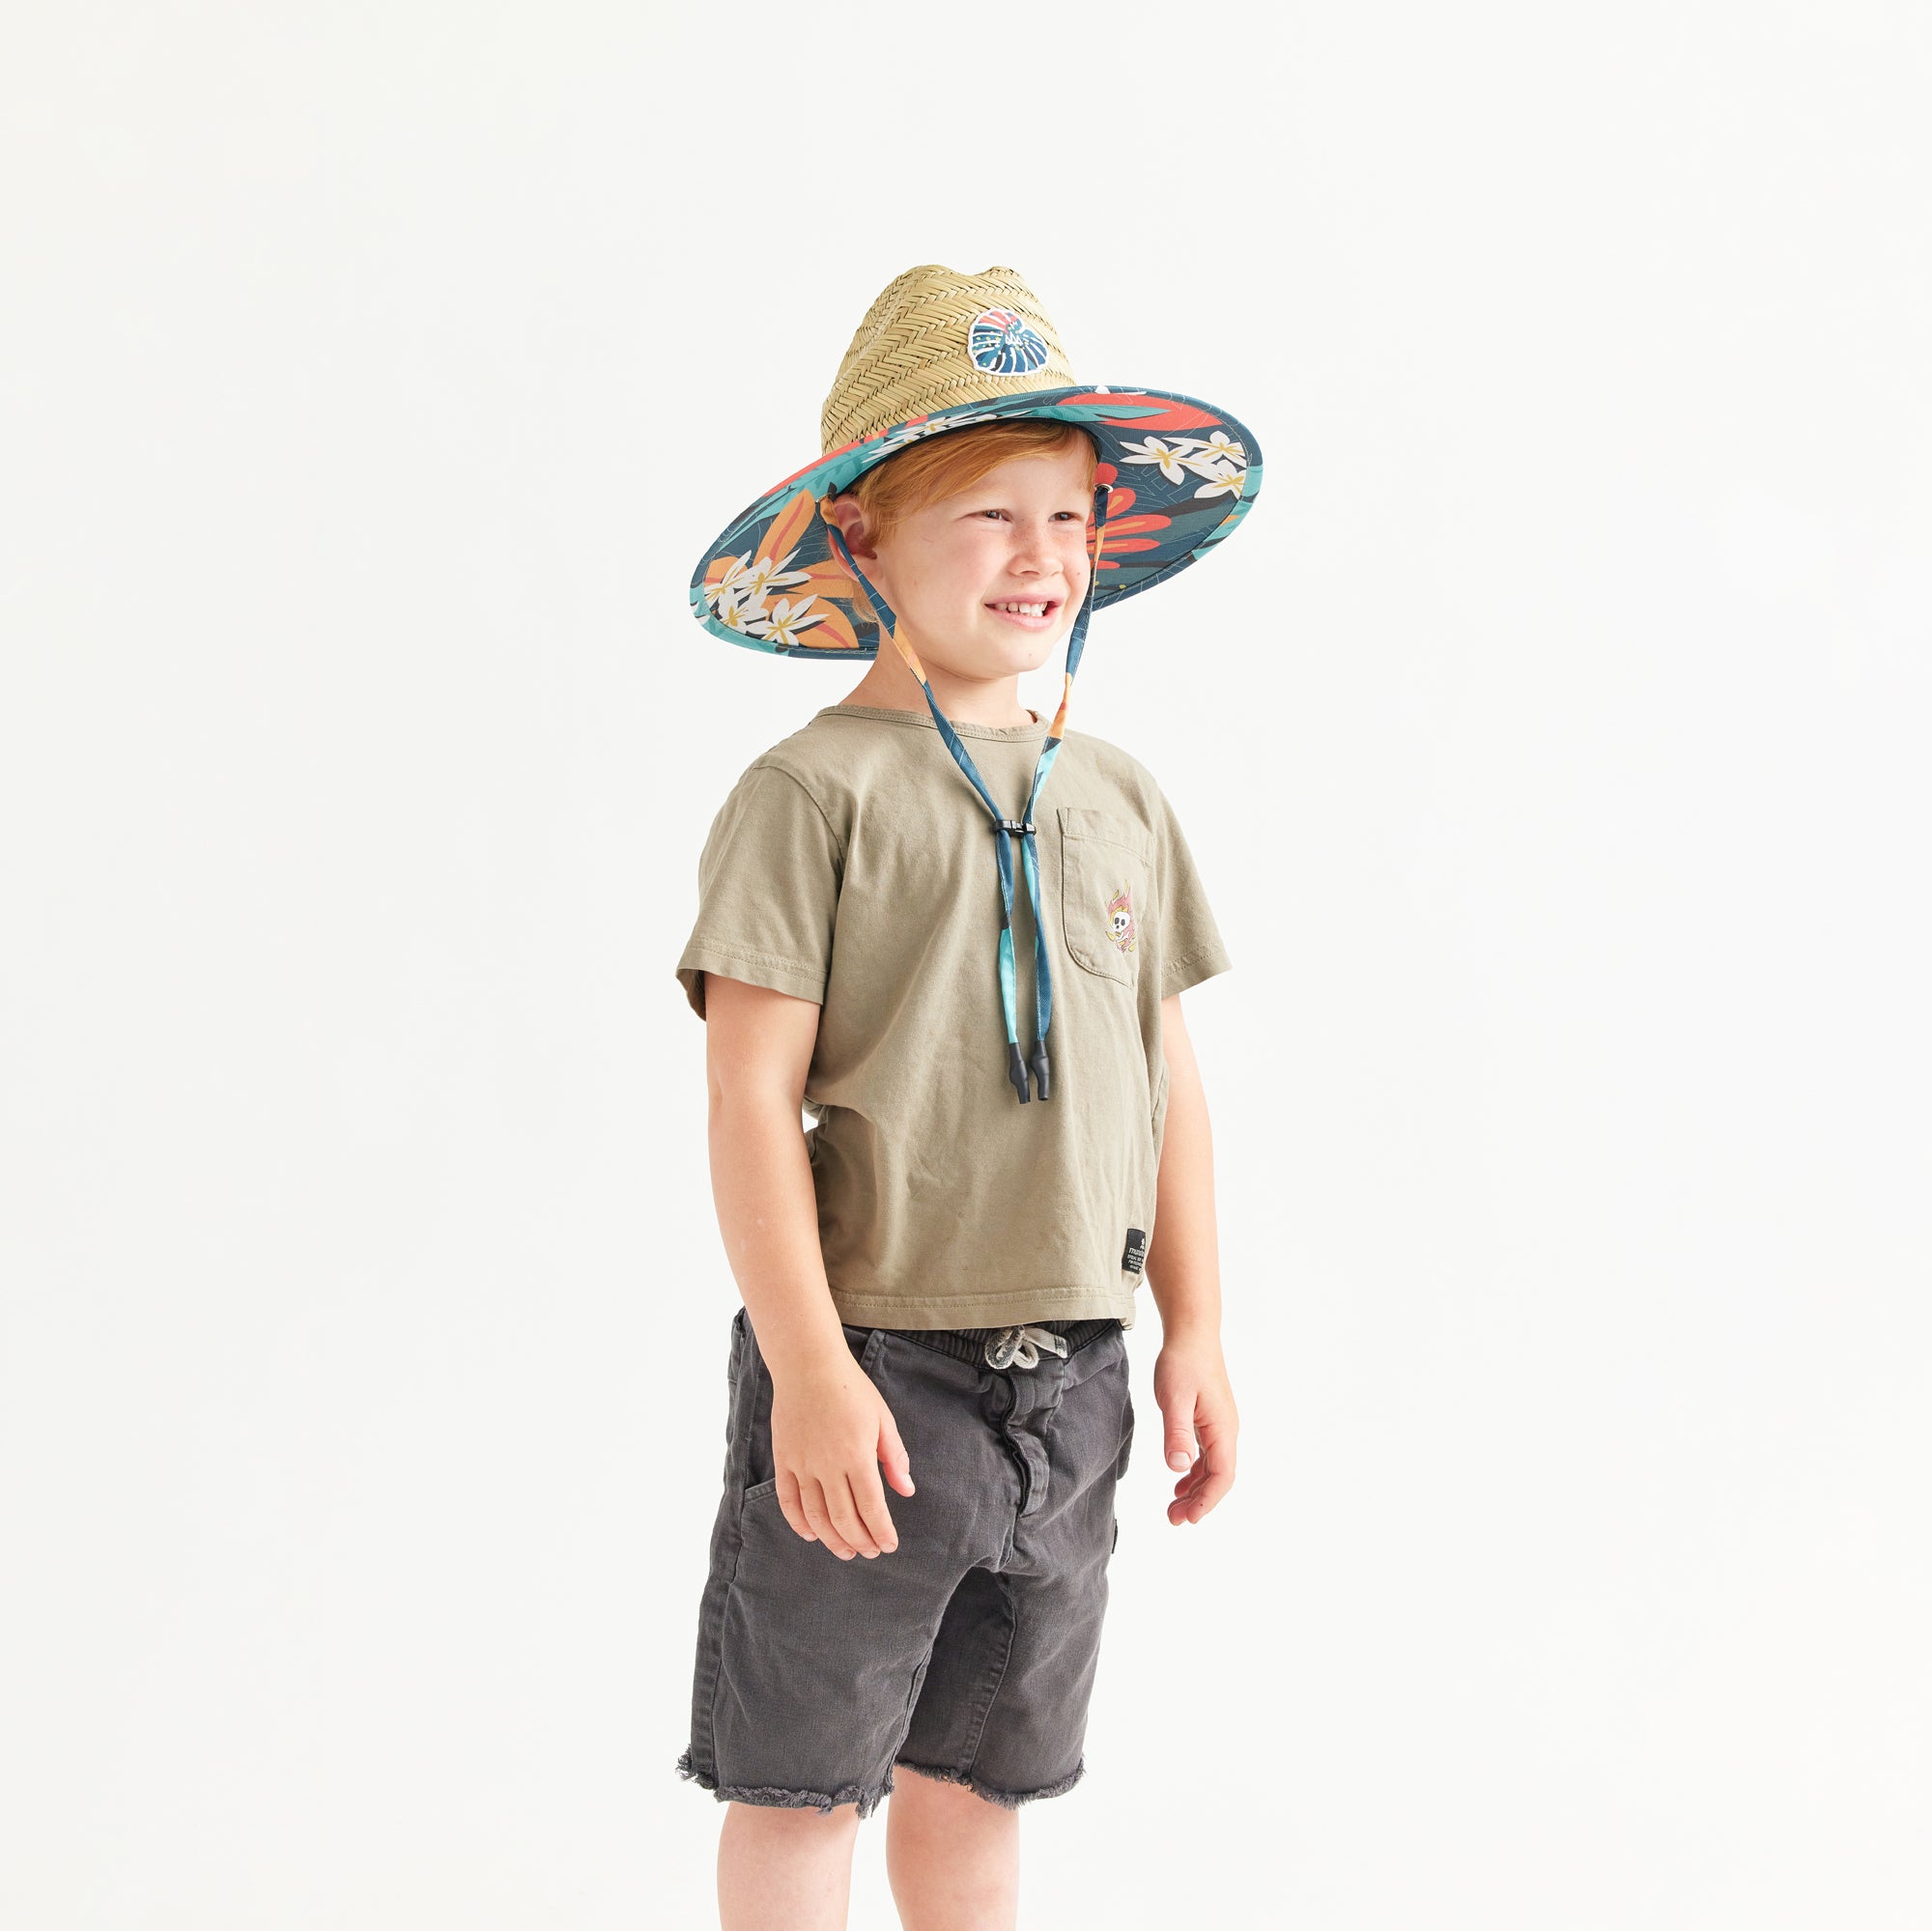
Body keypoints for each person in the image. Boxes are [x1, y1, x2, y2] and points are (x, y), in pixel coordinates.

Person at [671, 263, 1264, 1930]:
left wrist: (1197, 1328)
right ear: (863, 538)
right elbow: (746, 1099)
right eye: (988, 514)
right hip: (877, 1368)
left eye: (1066, 517)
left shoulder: (1120, 794)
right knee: (803, 1782)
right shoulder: (809, 795)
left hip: (1075, 1378)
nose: (1038, 555)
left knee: (984, 1783)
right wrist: (806, 1368)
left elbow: (1164, 1076)